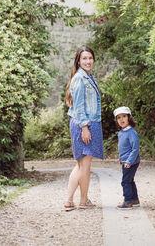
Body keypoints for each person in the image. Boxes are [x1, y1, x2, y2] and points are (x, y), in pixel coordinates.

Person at [64, 46, 104, 209]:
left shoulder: (87, 76)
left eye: (90, 58)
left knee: (82, 165)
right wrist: (85, 128)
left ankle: (82, 199)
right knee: (84, 165)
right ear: (78, 61)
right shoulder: (80, 78)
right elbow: (79, 106)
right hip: (85, 123)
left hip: (86, 122)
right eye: (84, 58)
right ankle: (71, 199)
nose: (88, 61)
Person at [113, 106, 141, 210]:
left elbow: (135, 149)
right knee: (130, 180)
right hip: (126, 161)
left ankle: (128, 201)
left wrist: (129, 161)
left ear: (129, 118)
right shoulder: (121, 132)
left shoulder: (131, 132)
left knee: (125, 181)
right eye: (118, 117)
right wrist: (121, 159)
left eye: (124, 116)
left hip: (132, 161)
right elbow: (123, 148)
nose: (121, 119)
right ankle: (134, 199)